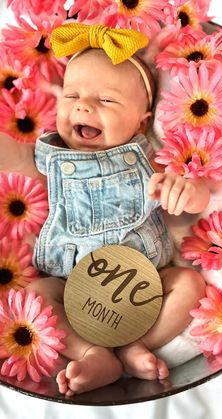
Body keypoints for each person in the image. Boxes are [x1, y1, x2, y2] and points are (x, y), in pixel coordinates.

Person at [0, 24, 209, 397]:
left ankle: (132, 344)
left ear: (141, 123)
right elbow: (14, 157)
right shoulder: (53, 158)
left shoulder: (145, 160)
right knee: (33, 296)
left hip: (146, 282)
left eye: (107, 100)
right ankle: (94, 352)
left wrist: (186, 191)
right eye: (72, 95)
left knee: (190, 284)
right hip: (68, 282)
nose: (84, 105)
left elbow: (194, 202)